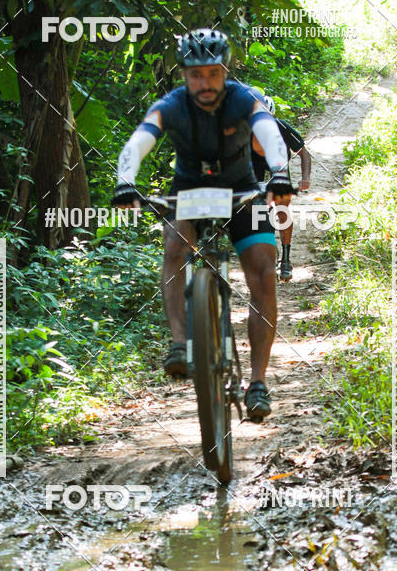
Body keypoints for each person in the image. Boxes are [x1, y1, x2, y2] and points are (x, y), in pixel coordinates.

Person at [111, 28, 295, 420]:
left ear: (224, 71)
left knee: (263, 272)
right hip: (189, 190)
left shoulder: (243, 99)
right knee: (175, 248)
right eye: (196, 75)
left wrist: (278, 172)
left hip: (242, 189)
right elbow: (139, 141)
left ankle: (258, 382)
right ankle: (180, 344)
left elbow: (268, 132)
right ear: (183, 75)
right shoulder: (171, 105)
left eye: (212, 73)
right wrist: (125, 181)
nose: (205, 83)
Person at [249, 93, 311, 282]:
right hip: (255, 170)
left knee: (282, 208)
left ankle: (286, 259)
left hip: (278, 167)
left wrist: (305, 177)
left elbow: (304, 153)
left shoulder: (284, 128)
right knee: (256, 211)